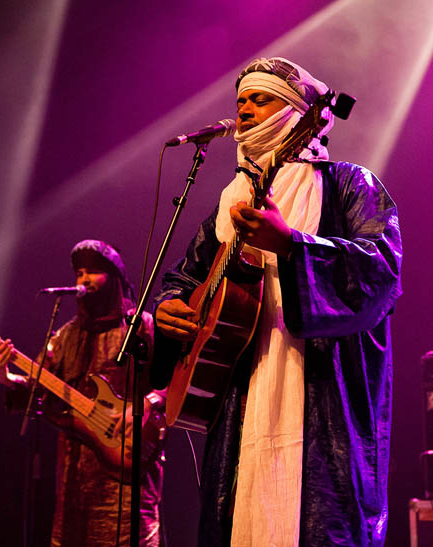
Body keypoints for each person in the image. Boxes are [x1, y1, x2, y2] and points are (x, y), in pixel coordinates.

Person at [152, 57, 402, 546]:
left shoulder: (349, 186)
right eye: (240, 100)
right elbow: (185, 276)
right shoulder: (229, 203)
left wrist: (291, 244)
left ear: (294, 112)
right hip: (242, 396)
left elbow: (381, 273)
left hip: (321, 396)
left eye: (259, 98)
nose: (243, 109)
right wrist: (171, 305)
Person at [0, 239, 166, 546]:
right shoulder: (65, 335)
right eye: (79, 273)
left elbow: (174, 378)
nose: (83, 279)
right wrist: (3, 374)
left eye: (93, 272)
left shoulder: (140, 327)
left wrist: (148, 403)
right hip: (74, 479)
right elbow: (37, 390)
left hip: (126, 472)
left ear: (114, 277)